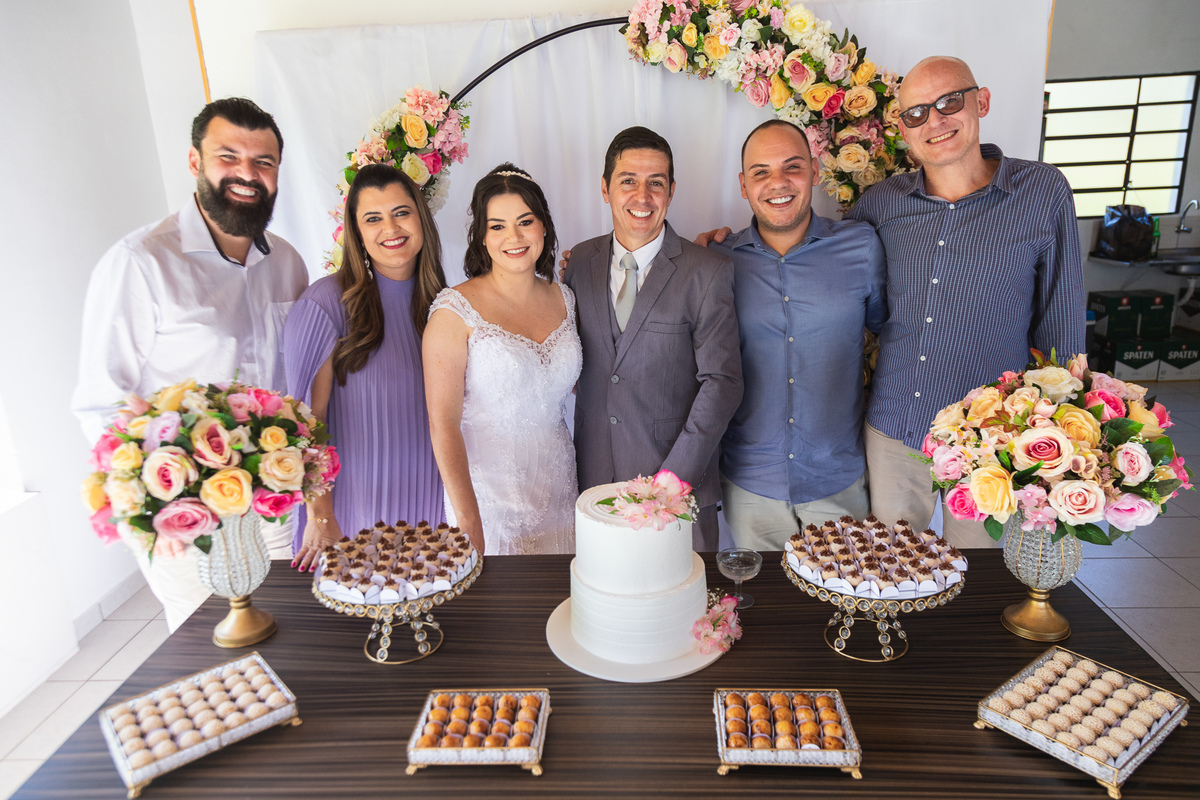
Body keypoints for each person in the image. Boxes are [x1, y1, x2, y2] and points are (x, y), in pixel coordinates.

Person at [72, 98, 308, 630]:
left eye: (263, 162)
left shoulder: (287, 262)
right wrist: (151, 508)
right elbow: (101, 401)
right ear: (194, 161)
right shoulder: (141, 262)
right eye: (229, 157)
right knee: (207, 646)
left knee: (292, 627)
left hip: (273, 500)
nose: (247, 174)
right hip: (186, 511)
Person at [848, 56, 1085, 546]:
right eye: (917, 113)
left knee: (981, 578)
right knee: (889, 569)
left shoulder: (1042, 191)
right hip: (895, 426)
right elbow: (824, 267)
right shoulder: (879, 204)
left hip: (993, 436)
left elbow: (1061, 319)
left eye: (949, 102)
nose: (935, 121)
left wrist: (1061, 431)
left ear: (982, 101)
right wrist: (727, 246)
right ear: (903, 130)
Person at [563, 127, 743, 551]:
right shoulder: (580, 261)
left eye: (656, 183)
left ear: (672, 191)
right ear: (605, 189)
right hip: (594, 485)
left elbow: (722, 383)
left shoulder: (708, 271)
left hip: (679, 491)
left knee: (682, 594)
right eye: (628, 180)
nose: (642, 196)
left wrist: (672, 481)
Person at [711, 120, 886, 552]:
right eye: (761, 172)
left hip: (839, 480)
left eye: (792, 167)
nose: (778, 182)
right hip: (751, 484)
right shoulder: (715, 261)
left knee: (848, 595)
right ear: (743, 185)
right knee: (764, 598)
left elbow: (892, 336)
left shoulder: (862, 247)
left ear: (814, 171)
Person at [285, 164, 447, 571]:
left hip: (433, 505)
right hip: (354, 510)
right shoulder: (326, 304)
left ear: (421, 219)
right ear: (356, 233)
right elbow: (306, 423)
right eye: (373, 218)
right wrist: (322, 517)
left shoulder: (444, 304)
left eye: (401, 212)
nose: (390, 228)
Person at [423, 164, 581, 556]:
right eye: (497, 226)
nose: (514, 237)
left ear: (544, 226)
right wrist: (468, 520)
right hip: (490, 507)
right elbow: (442, 425)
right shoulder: (454, 311)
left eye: (525, 222)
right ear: (482, 236)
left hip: (562, 494)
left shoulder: (565, 298)